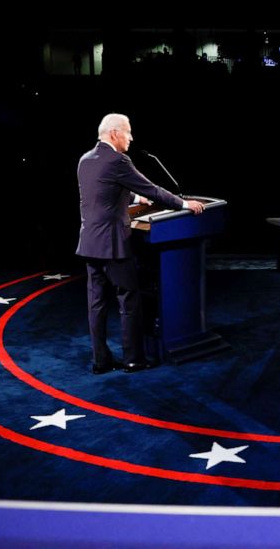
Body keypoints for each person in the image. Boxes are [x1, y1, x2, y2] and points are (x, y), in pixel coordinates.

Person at [75, 113, 204, 374]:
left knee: (96, 304)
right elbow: (152, 189)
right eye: (128, 132)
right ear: (114, 133)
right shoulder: (118, 160)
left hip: (89, 243)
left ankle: (101, 362)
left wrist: (133, 197)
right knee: (129, 300)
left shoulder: (85, 160)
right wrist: (183, 204)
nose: (131, 137)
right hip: (112, 244)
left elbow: (103, 192)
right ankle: (134, 359)